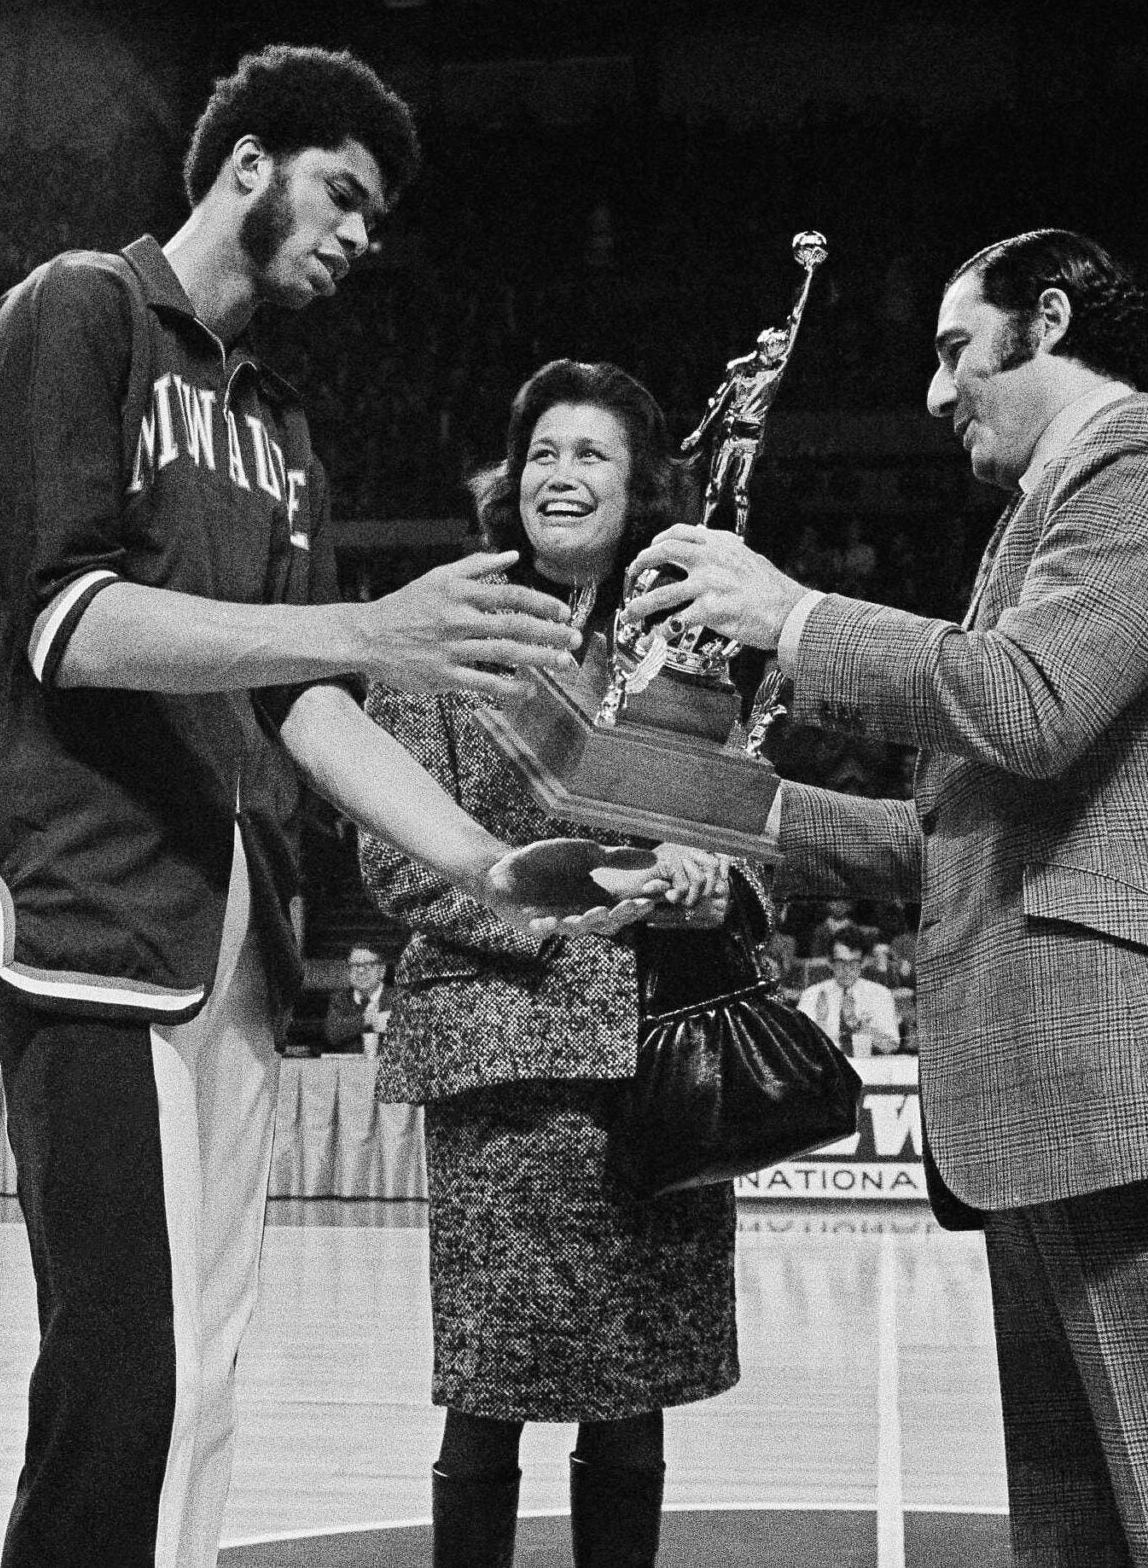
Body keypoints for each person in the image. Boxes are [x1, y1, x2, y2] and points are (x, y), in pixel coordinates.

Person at [0, 48, 656, 1568]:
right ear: (249, 164)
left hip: (236, 924)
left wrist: (486, 860)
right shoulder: (77, 311)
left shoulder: (277, 424)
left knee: (203, 1369)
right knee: (123, 1369)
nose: (357, 236)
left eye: (375, 218)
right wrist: (366, 626)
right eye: (344, 194)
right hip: (88, 906)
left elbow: (308, 701)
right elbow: (69, 621)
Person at [631, 229, 1148, 1566]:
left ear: (1049, 319)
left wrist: (791, 616)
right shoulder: (1044, 511)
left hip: (1135, 1086)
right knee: (1080, 1530)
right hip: (1062, 1097)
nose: (935, 391)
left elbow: (1027, 704)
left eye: (957, 349)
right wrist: (722, 807)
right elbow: (955, 838)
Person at [359, 359, 743, 1568]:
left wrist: (713, 886)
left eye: (590, 454)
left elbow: (756, 829)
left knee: (636, 1384)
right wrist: (560, 911)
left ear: (641, 490)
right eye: (542, 452)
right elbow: (394, 856)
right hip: (501, 1066)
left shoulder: (691, 644)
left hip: (657, 1060)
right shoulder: (446, 626)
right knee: (490, 1382)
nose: (559, 474)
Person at [797, 928, 900, 1055]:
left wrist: (856, 1024)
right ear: (830, 962)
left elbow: (890, 1046)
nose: (847, 970)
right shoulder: (812, 994)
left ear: (863, 962)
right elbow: (797, 1046)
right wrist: (820, 1023)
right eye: (840, 962)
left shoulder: (880, 994)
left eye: (853, 963)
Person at [323, 945, 391, 1053]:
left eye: (368, 965)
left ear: (382, 970)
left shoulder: (400, 997)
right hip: (348, 1063)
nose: (360, 971)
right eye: (355, 965)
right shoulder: (340, 999)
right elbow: (332, 1033)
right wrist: (367, 1020)